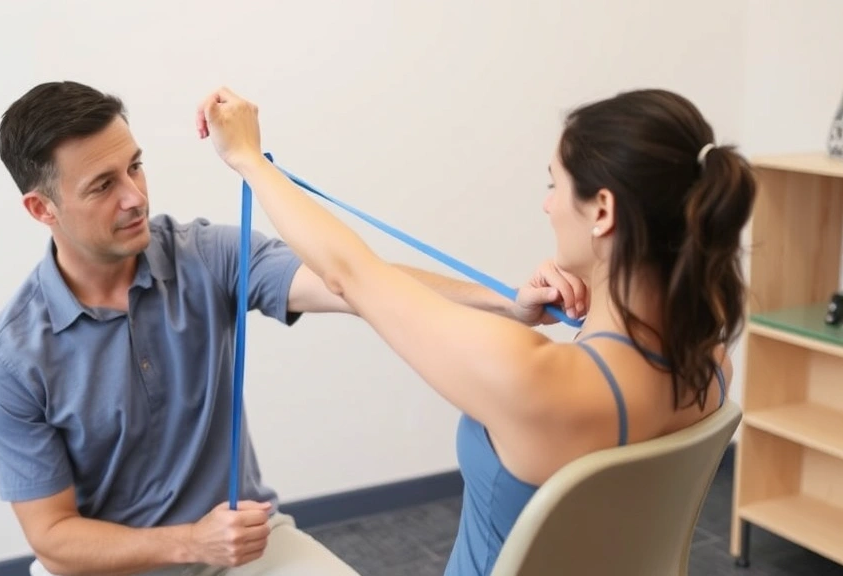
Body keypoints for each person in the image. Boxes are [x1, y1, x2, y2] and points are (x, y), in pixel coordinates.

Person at [0, 80, 583, 576]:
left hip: (240, 547)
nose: (135, 197)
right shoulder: (11, 359)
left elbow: (355, 283)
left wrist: (508, 303)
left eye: (135, 167)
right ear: (41, 208)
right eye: (104, 186)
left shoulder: (202, 255)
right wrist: (189, 541)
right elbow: (54, 539)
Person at [197, 86, 755, 575]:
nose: (547, 205)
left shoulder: (536, 380)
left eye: (554, 185)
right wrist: (536, 301)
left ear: (603, 211)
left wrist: (249, 159)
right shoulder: (710, 365)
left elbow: (351, 276)